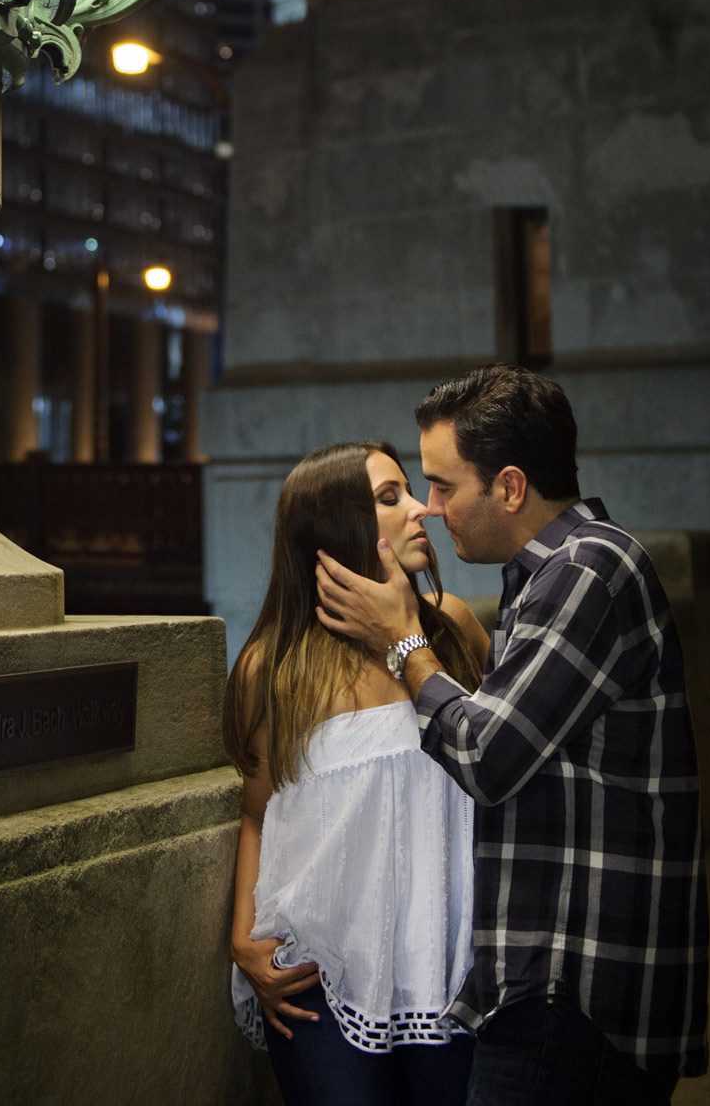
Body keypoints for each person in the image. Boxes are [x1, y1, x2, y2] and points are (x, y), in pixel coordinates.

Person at [314, 366, 708, 1106]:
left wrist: (403, 644)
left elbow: (485, 757)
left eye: (442, 485)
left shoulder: (589, 567)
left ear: (511, 487)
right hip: (550, 983)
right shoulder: (541, 576)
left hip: (575, 989)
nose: (430, 509)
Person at [225, 441, 491, 1106]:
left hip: (449, 964)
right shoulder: (274, 667)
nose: (420, 510)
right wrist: (241, 936)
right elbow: (258, 811)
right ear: (335, 529)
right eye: (389, 497)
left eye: (409, 490)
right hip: (318, 970)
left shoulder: (453, 630)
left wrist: (410, 645)